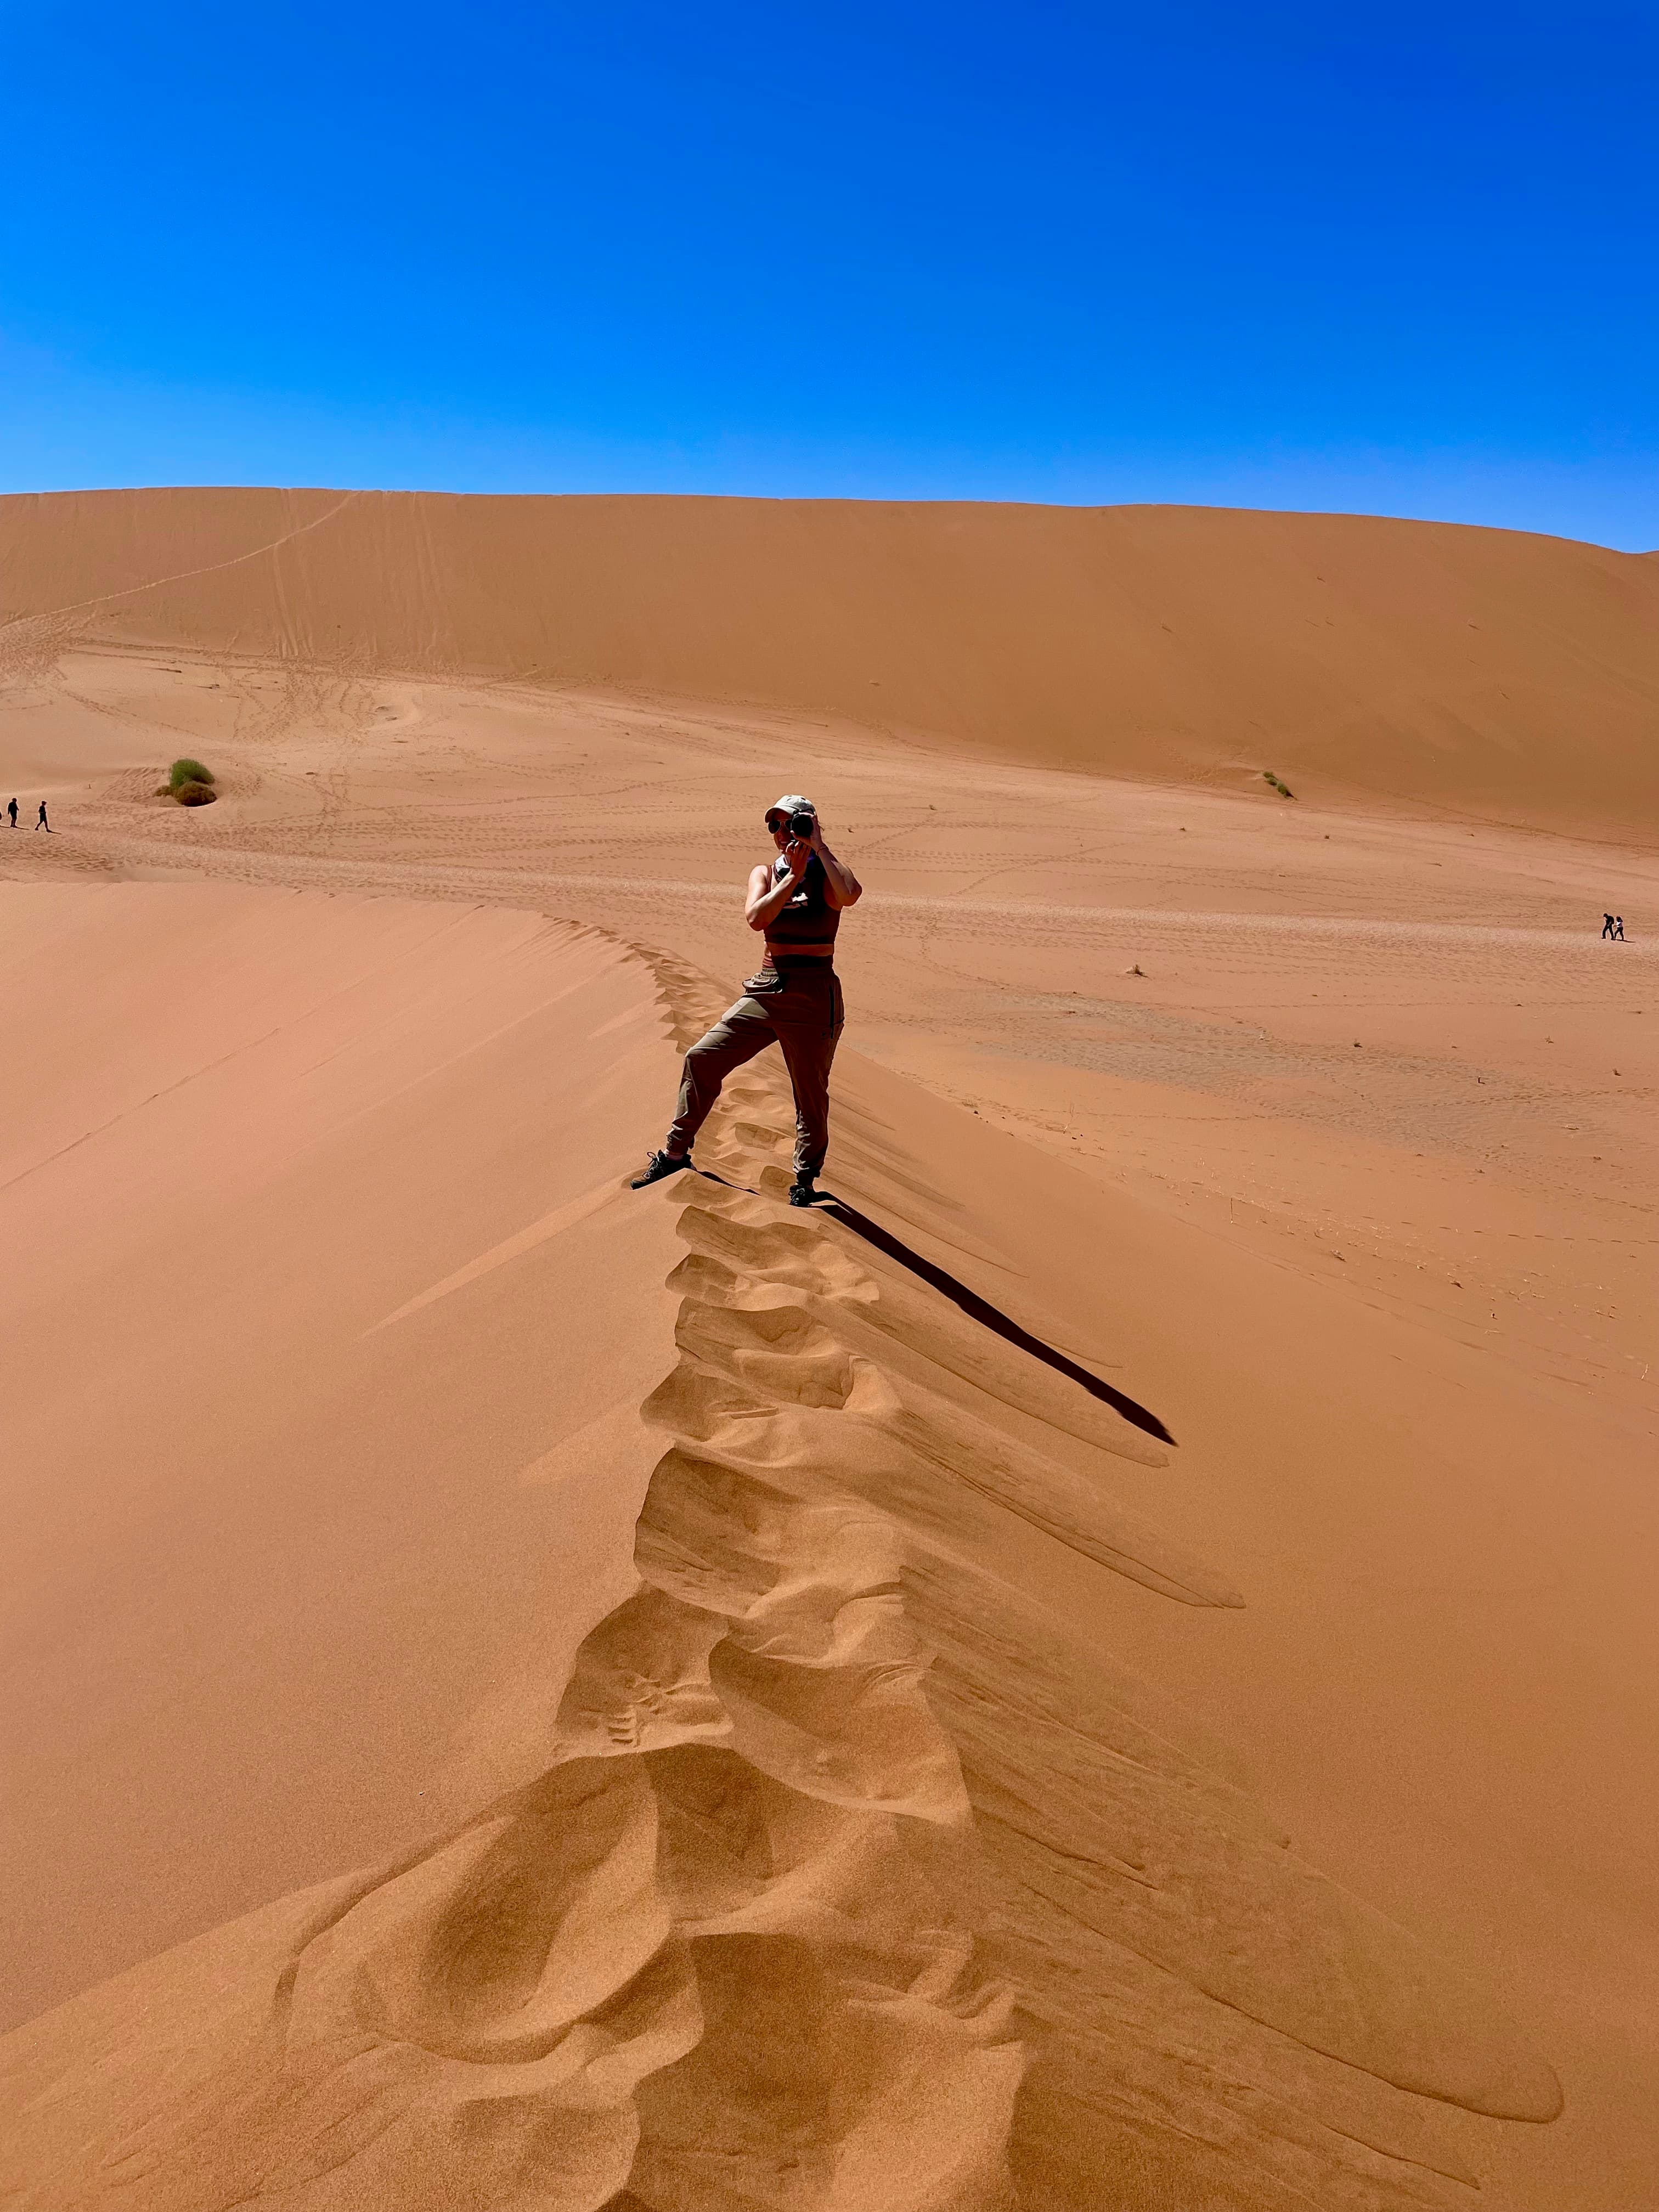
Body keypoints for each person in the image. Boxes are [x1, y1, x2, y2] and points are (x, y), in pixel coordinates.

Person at [632, 794, 862, 1206]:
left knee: (809, 1094)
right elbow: (757, 919)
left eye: (790, 824)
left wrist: (820, 847)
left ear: (809, 825)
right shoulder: (765, 873)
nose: (781, 834)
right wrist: (790, 878)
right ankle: (674, 1154)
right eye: (774, 826)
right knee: (702, 1057)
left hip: (813, 997)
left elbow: (848, 896)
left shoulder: (829, 872)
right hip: (768, 988)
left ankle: (804, 1180)